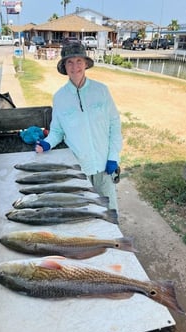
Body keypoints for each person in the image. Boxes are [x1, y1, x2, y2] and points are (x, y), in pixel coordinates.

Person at [36, 42, 122, 213]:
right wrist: (47, 143)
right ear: (64, 66)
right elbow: (57, 131)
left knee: (110, 212)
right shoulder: (59, 97)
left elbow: (115, 124)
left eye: (78, 61)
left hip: (105, 166)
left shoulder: (101, 90)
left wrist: (113, 157)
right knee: (84, 213)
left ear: (85, 64)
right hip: (78, 169)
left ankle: (116, 241)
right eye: (69, 62)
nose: (75, 66)